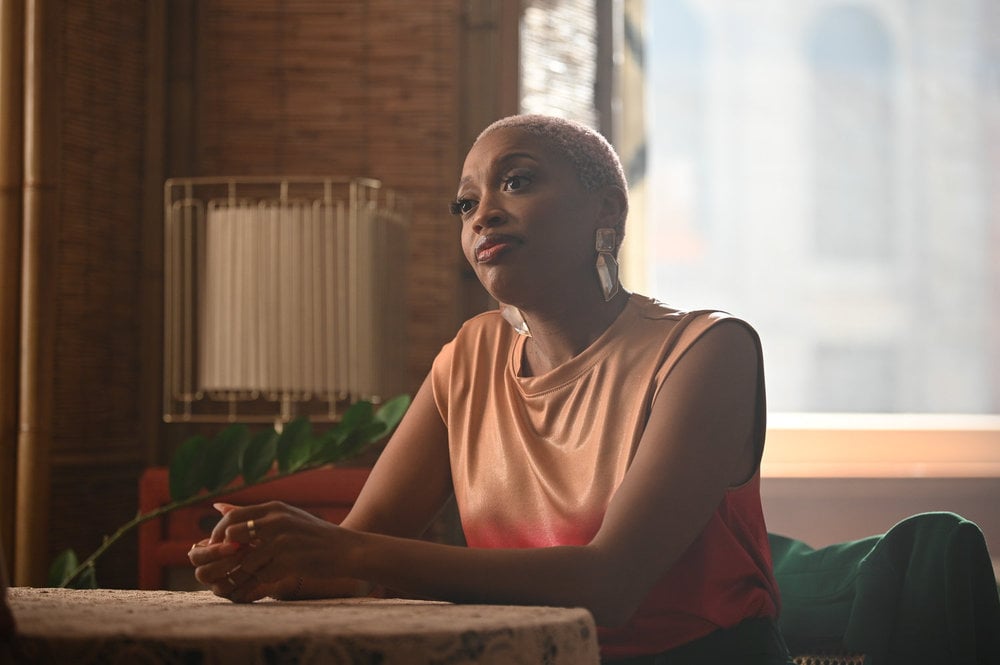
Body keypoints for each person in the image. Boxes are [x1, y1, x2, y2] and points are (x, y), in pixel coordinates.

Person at [189, 114, 792, 664]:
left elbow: (608, 587)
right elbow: (355, 558)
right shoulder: (469, 358)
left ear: (607, 210)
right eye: (465, 203)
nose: (483, 215)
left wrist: (348, 554)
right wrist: (270, 561)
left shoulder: (708, 352)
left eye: (518, 182)